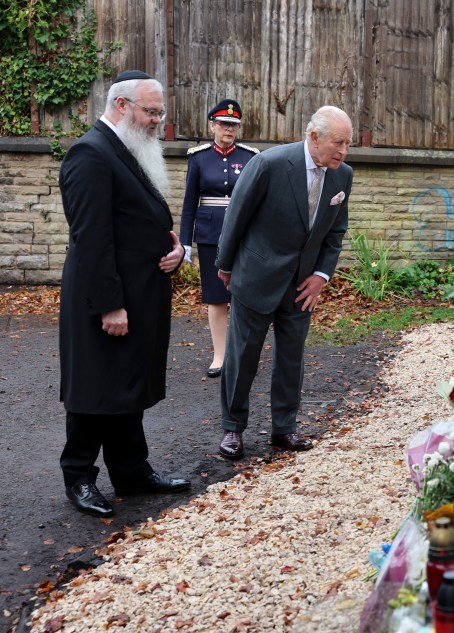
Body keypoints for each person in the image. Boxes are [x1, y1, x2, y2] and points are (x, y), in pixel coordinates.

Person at [58, 69, 191, 517]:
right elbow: (91, 238)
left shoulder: (126, 148)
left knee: (127, 385)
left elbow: (138, 220)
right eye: (151, 112)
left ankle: (131, 472)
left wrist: (175, 250)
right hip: (104, 299)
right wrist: (110, 304)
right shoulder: (90, 153)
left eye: (160, 113)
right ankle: (79, 476)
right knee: (96, 388)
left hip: (138, 294)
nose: (157, 121)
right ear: (121, 105)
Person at [215, 105, 353, 459]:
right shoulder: (270, 164)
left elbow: (335, 233)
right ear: (314, 137)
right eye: (338, 142)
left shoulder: (343, 176)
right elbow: (236, 215)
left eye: (348, 144)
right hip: (256, 277)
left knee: (292, 359)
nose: (343, 151)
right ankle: (233, 428)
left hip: (302, 286)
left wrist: (321, 275)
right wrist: (225, 265)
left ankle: (284, 428)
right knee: (242, 357)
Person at [179, 100, 259, 377]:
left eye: (234, 125)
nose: (229, 129)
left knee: (243, 296)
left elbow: (258, 201)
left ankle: (241, 355)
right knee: (216, 296)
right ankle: (220, 355)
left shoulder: (250, 157)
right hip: (210, 234)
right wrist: (185, 242)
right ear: (212, 125)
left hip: (243, 235)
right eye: (224, 124)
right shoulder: (198, 158)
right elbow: (189, 203)